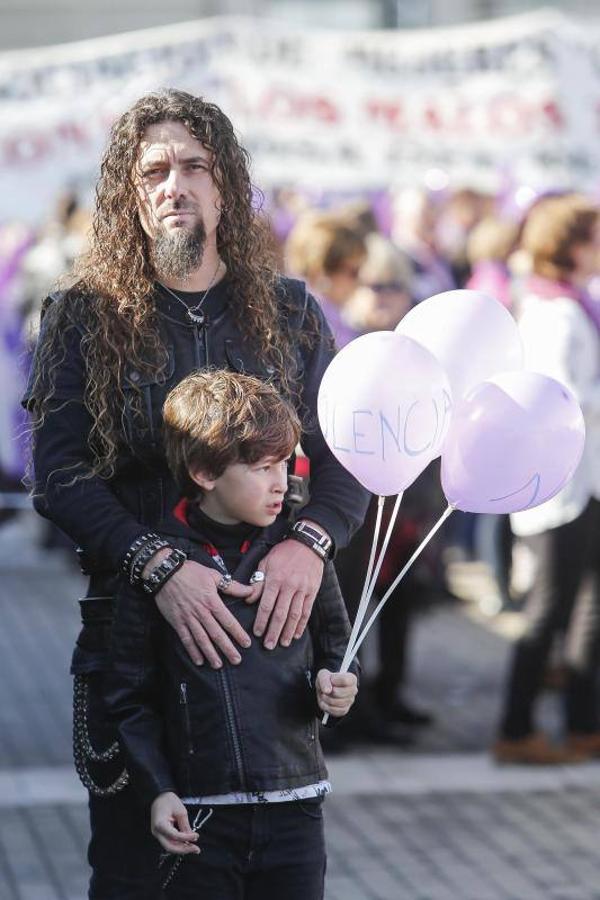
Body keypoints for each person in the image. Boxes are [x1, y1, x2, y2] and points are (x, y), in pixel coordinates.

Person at [23, 89, 369, 898]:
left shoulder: (287, 311)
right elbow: (59, 474)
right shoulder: (84, 316)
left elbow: (348, 459)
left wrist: (307, 544)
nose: (173, 184)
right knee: (144, 877)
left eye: (192, 166)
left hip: (268, 666)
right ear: (129, 197)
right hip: (135, 654)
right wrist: (157, 565)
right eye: (153, 172)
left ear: (224, 187)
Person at [106, 369, 358, 898]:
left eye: (287, 463)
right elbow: (130, 696)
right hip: (202, 818)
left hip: (296, 807)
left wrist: (338, 685)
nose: (282, 482)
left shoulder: (300, 556)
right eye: (263, 467)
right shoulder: (161, 567)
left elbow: (339, 649)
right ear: (204, 471)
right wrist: (158, 790)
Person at [493, 194, 600, 765]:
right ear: (575, 244)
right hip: (562, 482)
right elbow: (562, 394)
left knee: (588, 605)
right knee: (549, 608)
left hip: (584, 479)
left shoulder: (572, 303)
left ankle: (584, 722)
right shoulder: (555, 312)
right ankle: (515, 727)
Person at [285, 211, 366, 347]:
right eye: (353, 271)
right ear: (323, 270)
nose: (359, 280)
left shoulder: (335, 317)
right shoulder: (306, 319)